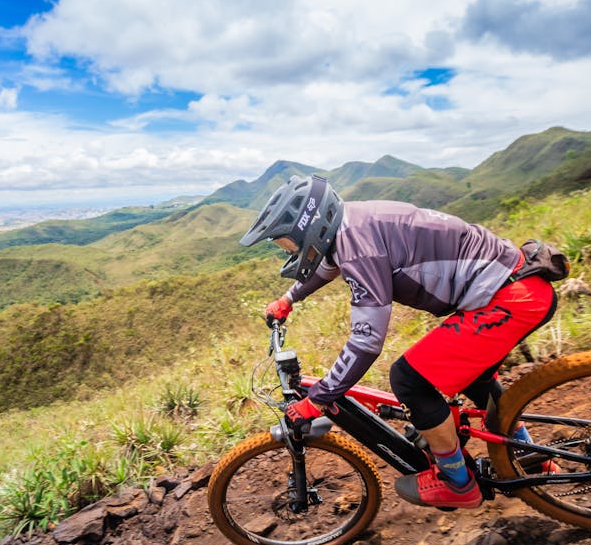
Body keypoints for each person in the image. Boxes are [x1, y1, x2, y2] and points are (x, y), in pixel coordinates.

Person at [239, 174, 558, 509]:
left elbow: (366, 342)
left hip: (508, 301)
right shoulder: (352, 223)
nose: (291, 251)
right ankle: (530, 456)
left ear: (311, 226)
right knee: (476, 378)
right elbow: (329, 265)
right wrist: (289, 299)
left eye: (289, 243)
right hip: (518, 288)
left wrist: (317, 399)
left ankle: (458, 483)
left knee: (409, 380)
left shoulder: (359, 248)